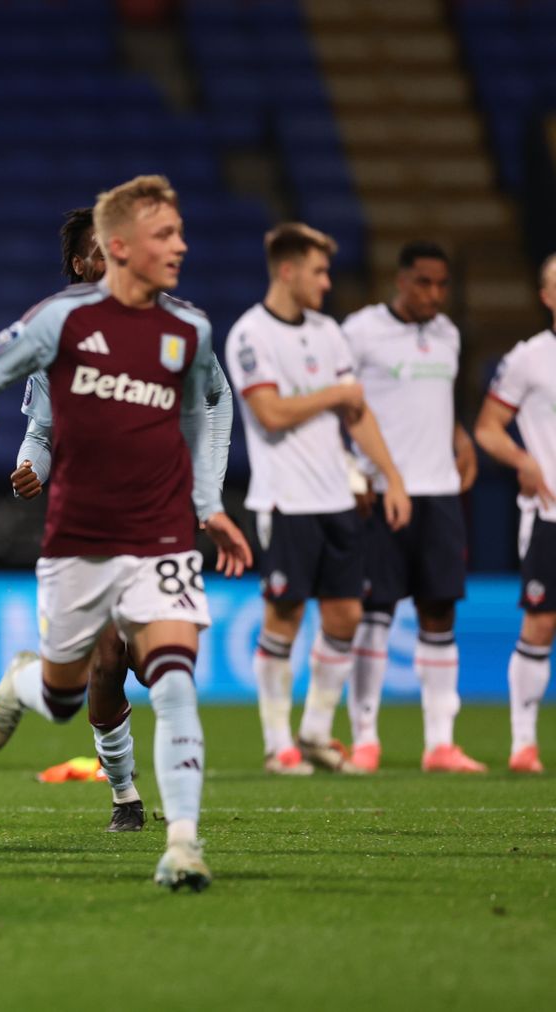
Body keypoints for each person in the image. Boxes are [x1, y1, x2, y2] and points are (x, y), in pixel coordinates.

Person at [0, 175, 252, 890]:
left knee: (174, 676)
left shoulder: (190, 330)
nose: (180, 246)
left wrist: (208, 506)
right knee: (65, 695)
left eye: (179, 233)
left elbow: (210, 407)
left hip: (161, 537)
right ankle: (25, 682)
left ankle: (182, 843)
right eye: (164, 235)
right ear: (118, 247)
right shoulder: (61, 323)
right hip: (81, 540)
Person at [226, 223, 411, 776]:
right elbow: (271, 413)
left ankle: (313, 731)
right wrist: (336, 393)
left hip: (337, 496)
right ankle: (276, 740)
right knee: (283, 614)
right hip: (285, 499)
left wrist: (391, 476)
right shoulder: (250, 335)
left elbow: (357, 414)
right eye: (318, 271)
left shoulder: (329, 332)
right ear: (288, 271)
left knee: (346, 614)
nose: (327, 283)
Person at [10, 207, 148, 832]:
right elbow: (42, 427)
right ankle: (126, 797)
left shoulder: (169, 323)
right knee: (105, 662)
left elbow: (214, 405)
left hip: (154, 513)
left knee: (155, 659)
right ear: (80, 263)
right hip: (87, 518)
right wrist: (29, 463)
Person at [342, 241, 484, 773]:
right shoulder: (360, 331)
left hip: (440, 492)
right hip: (381, 493)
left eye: (443, 285)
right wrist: (351, 470)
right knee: (374, 614)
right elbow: (339, 403)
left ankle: (440, 744)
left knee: (439, 611)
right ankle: (365, 739)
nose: (435, 294)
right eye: (425, 283)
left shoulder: (447, 334)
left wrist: (459, 433)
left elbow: (437, 398)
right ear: (400, 281)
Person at [471, 253, 556, 774]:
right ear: (547, 297)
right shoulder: (529, 358)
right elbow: (487, 428)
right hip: (550, 512)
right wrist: (523, 459)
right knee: (540, 623)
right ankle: (523, 743)